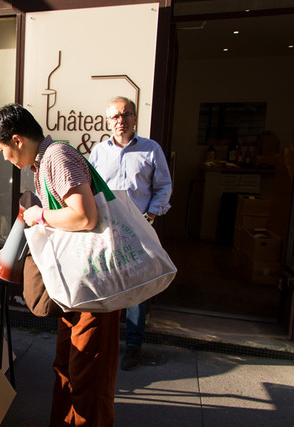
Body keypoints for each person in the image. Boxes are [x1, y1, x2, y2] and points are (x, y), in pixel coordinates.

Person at [0, 104, 120, 426]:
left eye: (3, 149)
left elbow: (85, 216)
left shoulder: (57, 157)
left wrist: (38, 215)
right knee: (67, 369)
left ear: (17, 140)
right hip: (77, 286)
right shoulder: (43, 163)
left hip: (94, 287)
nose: (4, 157)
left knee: (89, 380)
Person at [89, 96, 172, 371]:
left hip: (138, 230)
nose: (120, 121)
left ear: (135, 118)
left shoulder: (151, 149)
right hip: (106, 231)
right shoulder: (99, 152)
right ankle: (105, 341)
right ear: (108, 121)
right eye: (115, 116)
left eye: (126, 115)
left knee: (137, 290)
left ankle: (133, 346)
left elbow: (163, 186)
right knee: (107, 284)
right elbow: (89, 190)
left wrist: (151, 215)